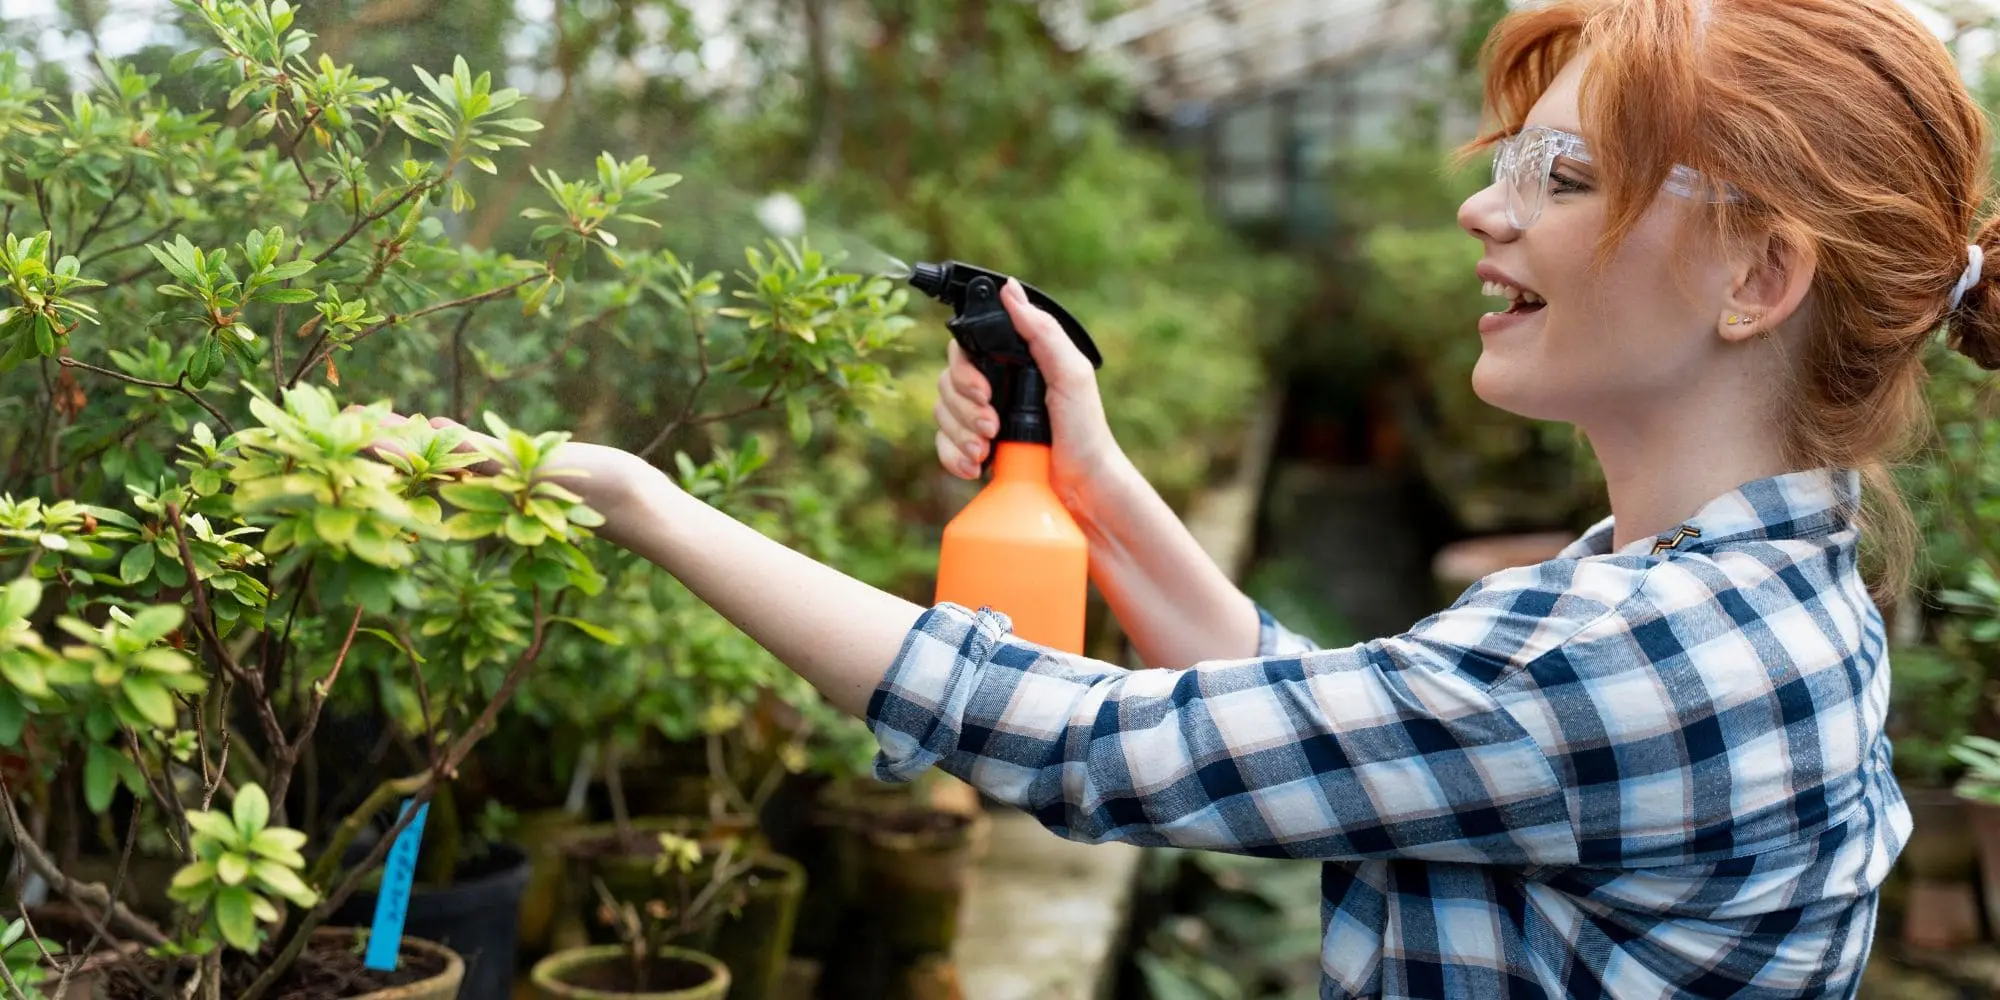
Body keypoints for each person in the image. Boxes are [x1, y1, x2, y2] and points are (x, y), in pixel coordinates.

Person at [374, 0, 2000, 994]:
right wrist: (1092, 478)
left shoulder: (1646, 659)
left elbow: (1097, 748)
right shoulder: (1719, 594)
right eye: (1505, 159)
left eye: (1560, 179)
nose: (1478, 210)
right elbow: (1348, 733)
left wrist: (635, 499)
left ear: (1759, 275)